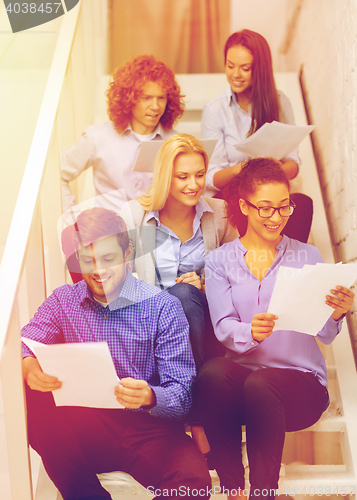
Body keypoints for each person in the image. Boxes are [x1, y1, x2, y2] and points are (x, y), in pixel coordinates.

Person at [22, 207, 211, 500]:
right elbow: (26, 342)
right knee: (27, 386)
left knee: (193, 484)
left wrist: (150, 396)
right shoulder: (63, 301)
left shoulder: (163, 308)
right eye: (88, 260)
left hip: (150, 431)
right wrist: (28, 365)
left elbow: (183, 395)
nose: (98, 270)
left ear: (128, 252)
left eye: (108, 259)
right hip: (87, 430)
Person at [195, 158, 354, 500]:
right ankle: (234, 488)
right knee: (212, 373)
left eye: (284, 207)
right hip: (244, 388)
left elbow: (324, 334)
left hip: (300, 388)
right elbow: (223, 328)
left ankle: (263, 493)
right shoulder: (221, 260)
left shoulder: (308, 255)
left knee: (262, 382)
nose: (276, 217)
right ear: (244, 206)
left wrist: (337, 314)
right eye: (265, 208)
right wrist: (251, 332)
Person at [119, 133, 238, 370]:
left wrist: (205, 285)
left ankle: (192, 381)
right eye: (182, 177)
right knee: (175, 296)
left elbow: (239, 276)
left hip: (203, 320)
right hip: (151, 320)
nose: (194, 185)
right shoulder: (132, 215)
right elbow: (120, 281)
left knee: (184, 293)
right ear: (165, 176)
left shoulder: (220, 214)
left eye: (200, 175)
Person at [201, 29, 313, 243]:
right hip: (234, 197)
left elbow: (293, 164)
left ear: (259, 69)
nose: (235, 74)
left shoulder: (280, 102)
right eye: (230, 65)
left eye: (245, 68)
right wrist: (245, 169)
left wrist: (273, 168)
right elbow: (212, 178)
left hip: (271, 194)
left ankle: (283, 270)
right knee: (252, 210)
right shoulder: (215, 110)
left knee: (302, 204)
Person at [61, 54, 185, 215]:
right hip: (109, 231)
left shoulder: (175, 142)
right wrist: (75, 221)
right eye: (146, 98)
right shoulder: (97, 138)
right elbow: (59, 175)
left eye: (161, 98)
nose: (155, 106)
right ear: (129, 98)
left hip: (157, 232)